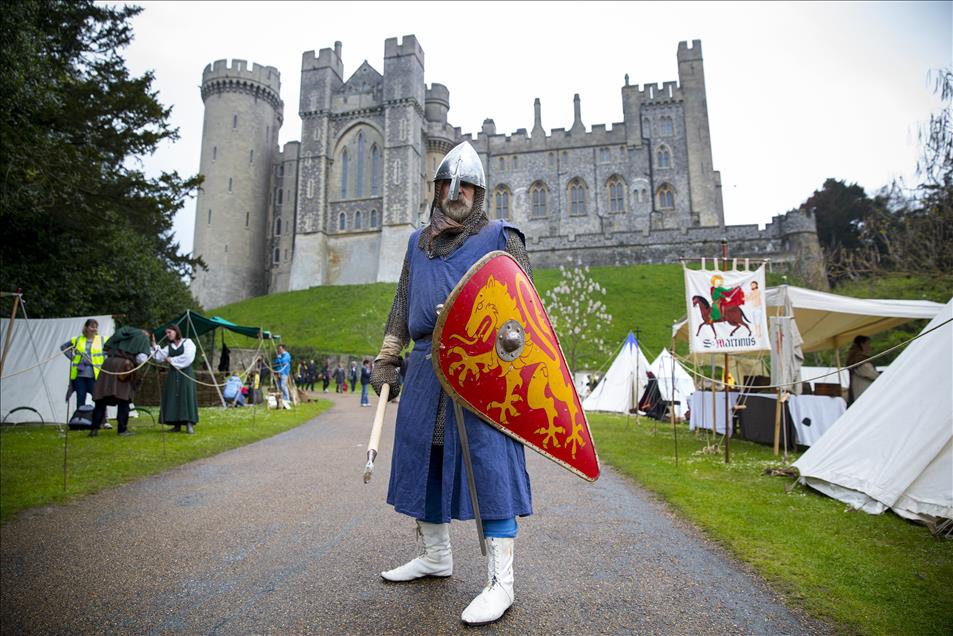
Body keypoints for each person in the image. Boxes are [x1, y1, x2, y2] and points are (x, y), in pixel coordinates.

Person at [370, 141, 533, 625]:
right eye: (448, 183)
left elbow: (524, 315)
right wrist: (386, 356)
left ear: (478, 192)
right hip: (423, 369)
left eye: (467, 185)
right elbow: (402, 303)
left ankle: (501, 581)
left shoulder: (502, 237)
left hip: (481, 373)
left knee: (490, 465)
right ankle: (435, 556)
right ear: (437, 188)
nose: (457, 191)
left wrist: (473, 322)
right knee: (427, 458)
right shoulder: (416, 244)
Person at [88, 326, 151, 437]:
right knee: (124, 399)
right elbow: (141, 359)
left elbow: (105, 349)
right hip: (124, 366)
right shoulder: (143, 337)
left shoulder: (123, 331)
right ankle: (122, 430)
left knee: (101, 399)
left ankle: (94, 429)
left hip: (108, 364)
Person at [151, 324, 199, 434]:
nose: (167, 335)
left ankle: (189, 424)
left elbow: (188, 357)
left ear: (176, 332)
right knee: (173, 397)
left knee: (186, 396)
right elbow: (159, 357)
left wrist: (172, 360)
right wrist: (154, 346)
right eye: (166, 333)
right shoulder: (169, 347)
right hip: (173, 374)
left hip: (186, 373)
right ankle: (176, 425)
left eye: (169, 332)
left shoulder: (188, 343)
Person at [61, 318, 105, 411]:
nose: (94, 329)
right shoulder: (77, 339)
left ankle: (102, 420)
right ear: (86, 327)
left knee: (99, 398)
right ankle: (80, 419)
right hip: (80, 375)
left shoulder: (101, 339)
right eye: (92, 327)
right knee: (80, 398)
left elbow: (110, 349)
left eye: (96, 327)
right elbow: (63, 347)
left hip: (95, 375)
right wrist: (73, 358)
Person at [846, 335, 879, 405]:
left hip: (859, 391)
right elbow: (871, 374)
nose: (869, 346)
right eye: (868, 344)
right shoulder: (859, 359)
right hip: (864, 392)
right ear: (862, 344)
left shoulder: (855, 358)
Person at [273, 344, 292, 409]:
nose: (279, 350)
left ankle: (287, 399)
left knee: (283, 386)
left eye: (280, 349)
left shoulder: (287, 355)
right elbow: (275, 361)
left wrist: (279, 360)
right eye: (278, 349)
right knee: (279, 386)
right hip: (278, 372)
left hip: (284, 372)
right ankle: (282, 399)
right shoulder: (280, 356)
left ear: (283, 349)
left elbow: (284, 361)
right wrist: (278, 360)